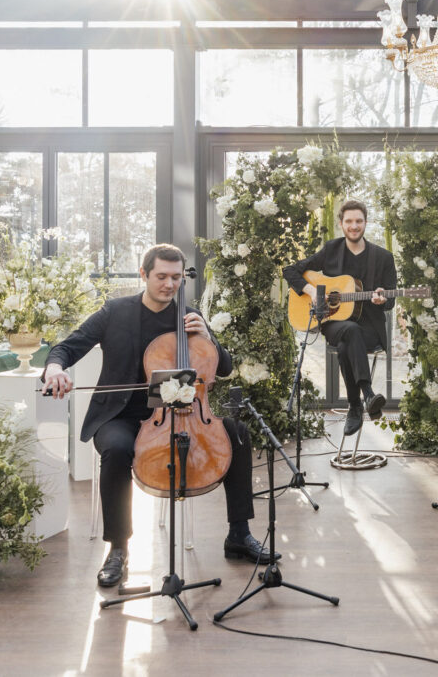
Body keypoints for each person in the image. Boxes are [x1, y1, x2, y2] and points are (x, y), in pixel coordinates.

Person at [42, 244, 278, 588]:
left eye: (176, 278)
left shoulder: (189, 317)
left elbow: (222, 368)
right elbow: (68, 346)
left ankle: (239, 534)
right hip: (121, 414)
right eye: (162, 277)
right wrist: (53, 369)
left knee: (237, 432)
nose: (169, 285)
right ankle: (118, 549)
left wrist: (207, 335)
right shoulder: (115, 311)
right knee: (118, 450)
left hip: (185, 414)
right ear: (144, 274)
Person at [282, 200, 397, 436]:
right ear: (341, 224)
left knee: (348, 342)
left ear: (365, 222)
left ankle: (355, 405)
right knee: (347, 331)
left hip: (370, 328)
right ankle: (368, 393)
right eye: (349, 221)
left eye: (359, 221)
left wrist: (383, 299)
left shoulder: (383, 257)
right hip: (334, 323)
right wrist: (312, 291)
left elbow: (392, 299)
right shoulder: (331, 249)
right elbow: (289, 271)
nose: (354, 226)